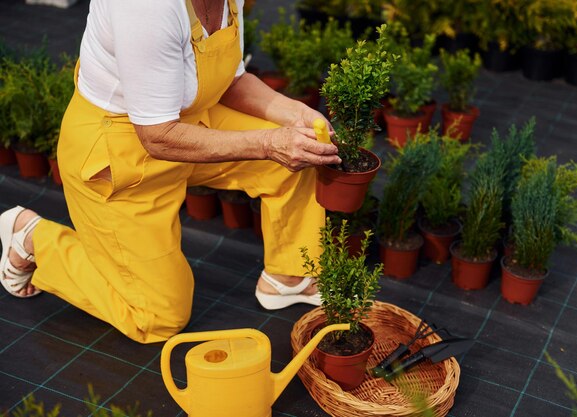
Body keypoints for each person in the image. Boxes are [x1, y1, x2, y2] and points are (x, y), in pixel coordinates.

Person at [0, 0, 341, 343]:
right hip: (121, 154)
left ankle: (288, 277)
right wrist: (270, 143)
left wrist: (295, 114)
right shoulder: (146, 7)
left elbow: (231, 79)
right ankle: (33, 238)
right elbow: (157, 136)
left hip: (190, 120)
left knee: (302, 154)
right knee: (159, 317)